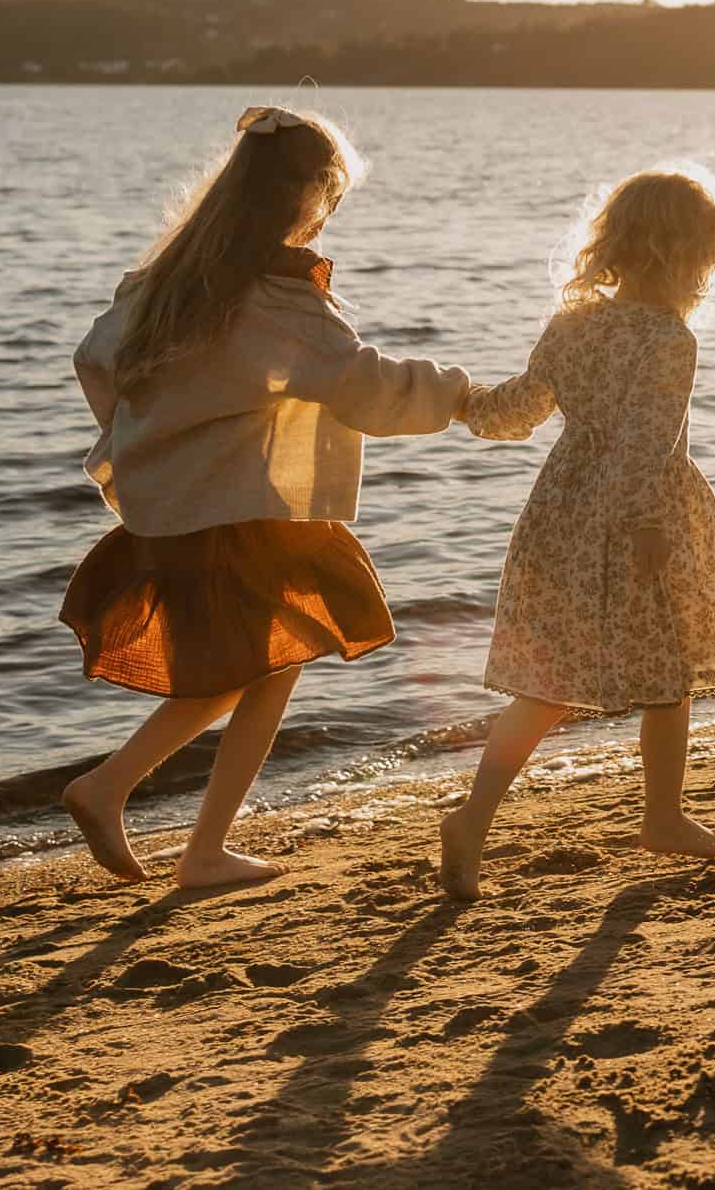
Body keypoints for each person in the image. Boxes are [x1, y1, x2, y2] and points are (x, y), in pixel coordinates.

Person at [60, 104, 469, 889]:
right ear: (308, 200)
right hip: (234, 515)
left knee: (270, 664)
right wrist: (459, 397)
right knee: (249, 667)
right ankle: (116, 791)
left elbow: (96, 362)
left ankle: (196, 841)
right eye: (330, 203)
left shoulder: (160, 287)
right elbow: (366, 388)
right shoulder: (277, 303)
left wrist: (148, 436)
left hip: (177, 508)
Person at [439, 168, 715, 900]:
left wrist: (457, 401)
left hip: (562, 514)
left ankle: (472, 820)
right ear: (687, 257)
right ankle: (661, 816)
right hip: (639, 518)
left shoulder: (573, 322)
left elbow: (515, 411)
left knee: (550, 679)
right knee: (666, 673)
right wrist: (642, 528)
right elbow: (648, 442)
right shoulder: (667, 339)